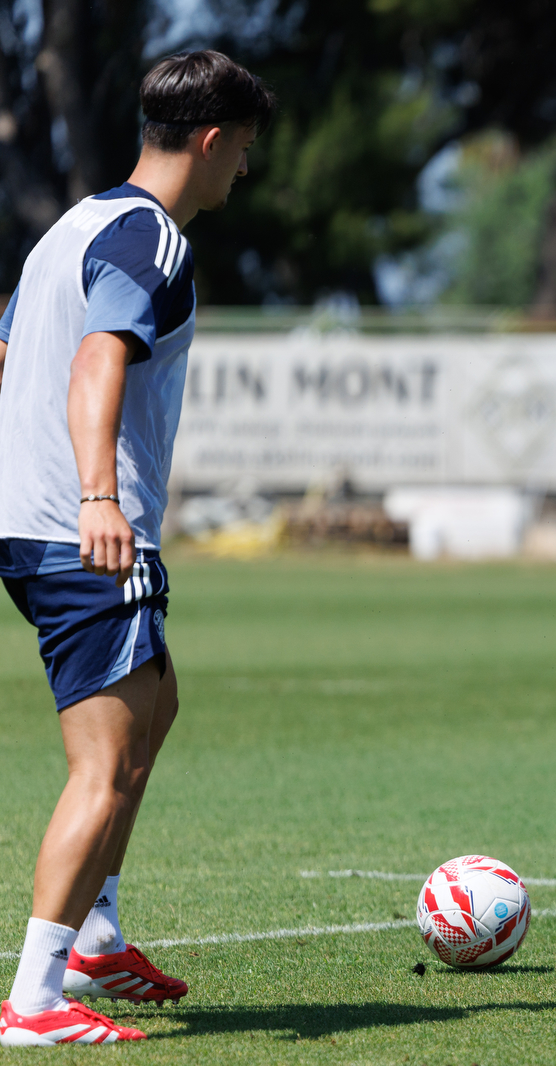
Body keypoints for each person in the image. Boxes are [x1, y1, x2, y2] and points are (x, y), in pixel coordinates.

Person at [0, 50, 272, 1045]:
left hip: (33, 525)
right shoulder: (152, 237)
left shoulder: (70, 226)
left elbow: (8, 350)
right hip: (82, 533)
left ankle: (98, 936)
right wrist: (97, 496)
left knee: (155, 703)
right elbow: (96, 360)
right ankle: (36, 999)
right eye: (242, 150)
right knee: (105, 763)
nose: (244, 169)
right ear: (211, 140)